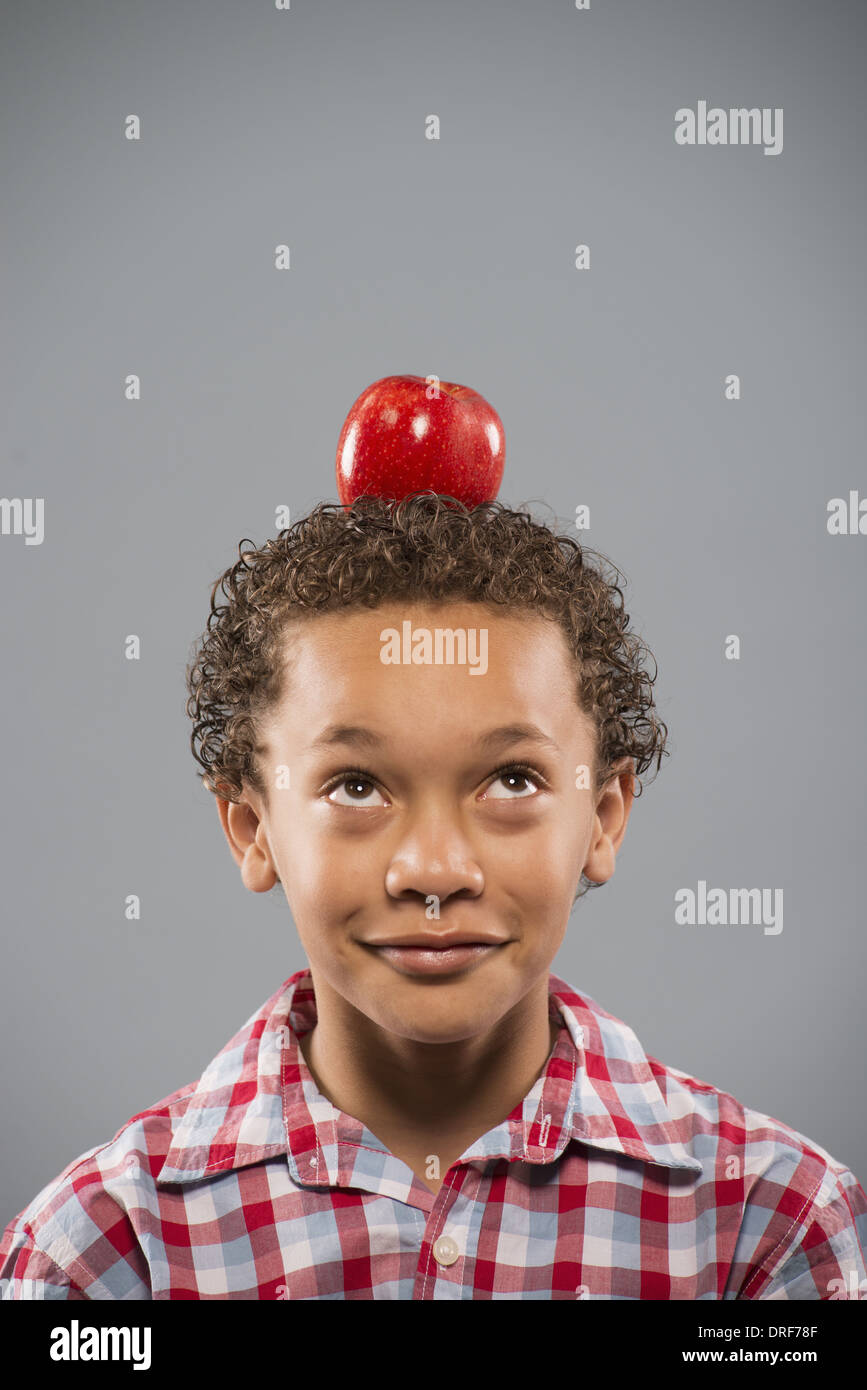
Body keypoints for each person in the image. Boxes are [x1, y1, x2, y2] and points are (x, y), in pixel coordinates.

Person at [2, 492, 865, 1299]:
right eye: (353, 787)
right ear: (249, 826)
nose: (434, 868)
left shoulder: (767, 1223)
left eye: (513, 779)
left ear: (602, 817)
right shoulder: (106, 1251)